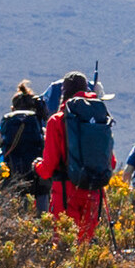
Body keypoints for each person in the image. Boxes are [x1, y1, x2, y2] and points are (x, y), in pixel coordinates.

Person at [33, 72, 108, 243]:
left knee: (64, 249)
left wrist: (36, 166)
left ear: (63, 93)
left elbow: (48, 168)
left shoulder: (56, 121)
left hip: (65, 194)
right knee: (86, 248)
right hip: (94, 192)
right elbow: (111, 162)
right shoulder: (99, 119)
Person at [0, 84, 48, 202]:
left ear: (13, 109)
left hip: (11, 180)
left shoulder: (2, 130)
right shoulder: (41, 130)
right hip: (37, 182)